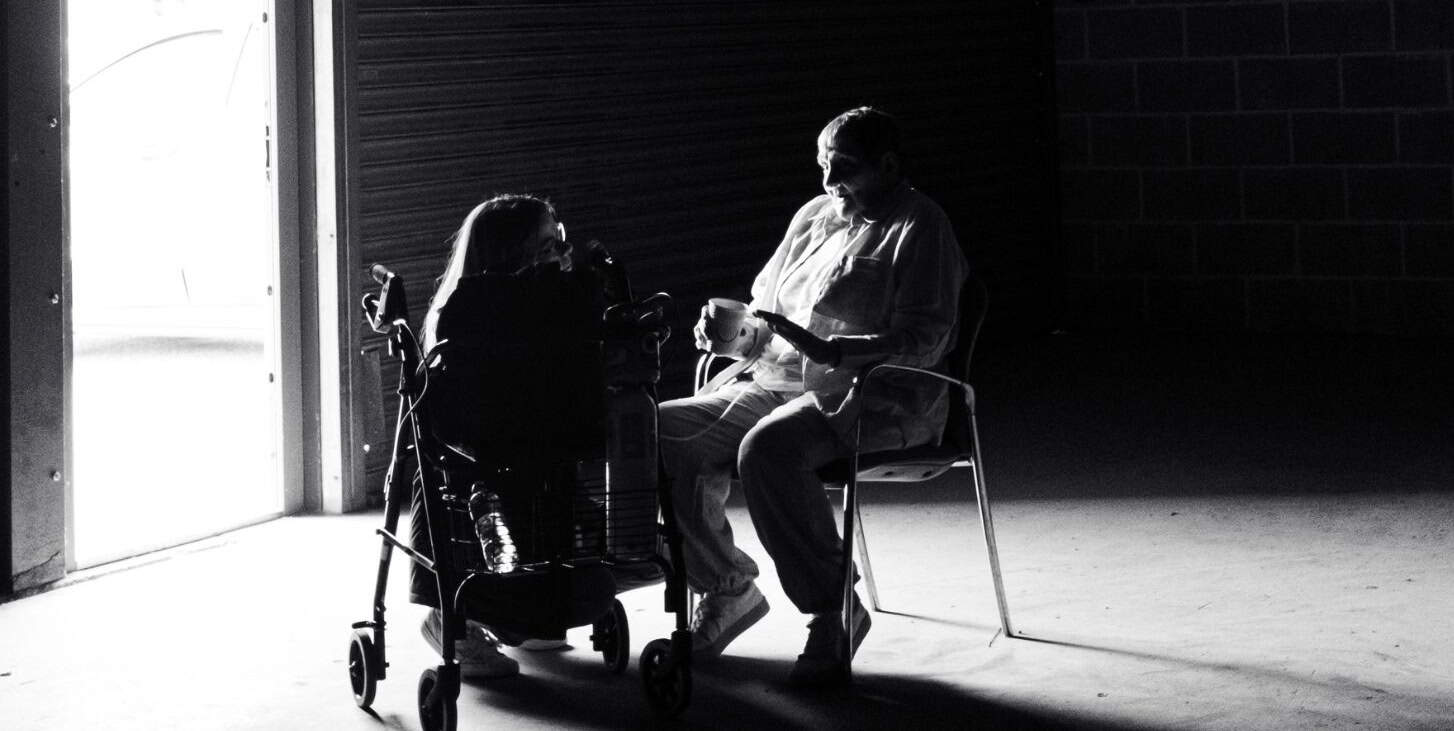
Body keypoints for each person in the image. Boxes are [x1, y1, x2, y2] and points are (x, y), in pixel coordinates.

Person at [659, 107, 967, 687]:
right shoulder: (815, 217)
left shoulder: (923, 227)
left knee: (769, 450)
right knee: (658, 433)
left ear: (890, 166)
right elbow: (768, 313)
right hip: (773, 383)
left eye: (844, 169)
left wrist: (832, 353)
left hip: (873, 398)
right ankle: (727, 590)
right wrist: (734, 336)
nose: (829, 184)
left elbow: (927, 342)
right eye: (824, 168)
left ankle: (834, 609)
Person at [412, 193, 625, 679]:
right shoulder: (469, 317)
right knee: (466, 499)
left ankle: (530, 607)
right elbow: (456, 423)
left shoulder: (559, 307)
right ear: (510, 257)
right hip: (481, 457)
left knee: (562, 508)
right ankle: (450, 615)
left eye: (560, 242)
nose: (563, 254)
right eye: (548, 247)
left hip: (543, 451)